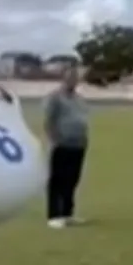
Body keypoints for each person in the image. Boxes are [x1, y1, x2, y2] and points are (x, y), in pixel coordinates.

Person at [42, 66, 89, 228]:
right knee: (58, 180)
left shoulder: (79, 99)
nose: (73, 81)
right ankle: (54, 215)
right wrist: (54, 139)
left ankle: (67, 213)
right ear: (63, 78)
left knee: (72, 180)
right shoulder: (55, 97)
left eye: (75, 78)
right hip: (62, 144)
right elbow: (49, 120)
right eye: (70, 78)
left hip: (79, 144)